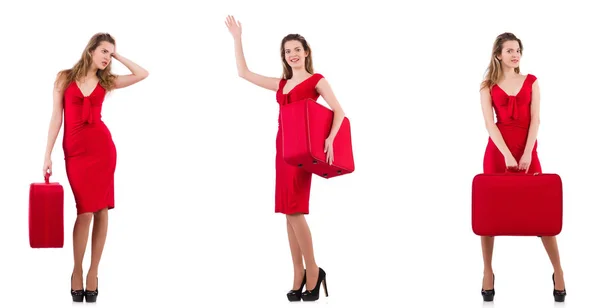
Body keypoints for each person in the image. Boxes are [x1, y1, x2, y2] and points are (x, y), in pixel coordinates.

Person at [225, 15, 345, 302]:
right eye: (287, 51)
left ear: (306, 52)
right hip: (282, 149)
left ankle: (313, 270)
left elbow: (339, 112)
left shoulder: (317, 80)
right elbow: (243, 73)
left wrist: (329, 138)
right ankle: (298, 273)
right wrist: (237, 39)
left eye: (296, 50)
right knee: (287, 213)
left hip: (303, 151)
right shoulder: (282, 84)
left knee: (295, 210)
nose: (292, 55)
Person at [42, 32, 149, 302]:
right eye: (104, 51)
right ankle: (76, 270)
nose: (107, 57)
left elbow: (142, 73)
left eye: (110, 53)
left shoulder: (107, 81)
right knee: (85, 211)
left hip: (103, 151)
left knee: (101, 210)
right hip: (76, 153)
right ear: (91, 50)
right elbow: (56, 117)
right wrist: (47, 154)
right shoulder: (64, 77)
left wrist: (119, 56)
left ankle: (93, 272)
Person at [478, 32, 566, 302]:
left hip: (527, 150)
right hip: (498, 153)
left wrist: (527, 153)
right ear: (498, 55)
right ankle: (488, 271)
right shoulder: (486, 86)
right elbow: (490, 125)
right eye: (509, 50)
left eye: (517, 50)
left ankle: (559, 271)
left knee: (542, 213)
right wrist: (505, 154)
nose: (515, 54)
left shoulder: (532, 81)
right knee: (489, 215)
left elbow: (536, 120)